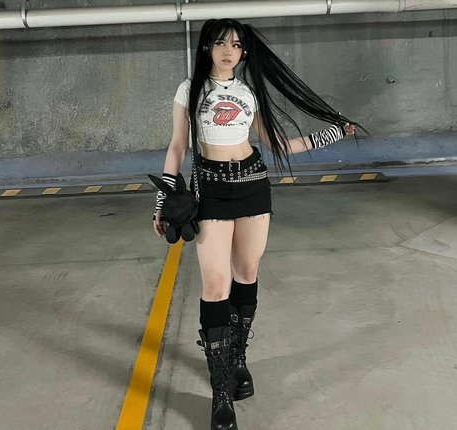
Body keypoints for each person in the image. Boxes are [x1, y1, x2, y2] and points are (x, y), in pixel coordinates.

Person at [153, 18, 359, 430]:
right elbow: (177, 146)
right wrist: (163, 198)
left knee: (246, 274)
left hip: (252, 186)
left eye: (235, 44)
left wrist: (332, 135)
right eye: (220, 43)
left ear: (243, 51)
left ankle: (236, 359)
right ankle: (220, 390)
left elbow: (275, 143)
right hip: (210, 191)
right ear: (207, 47)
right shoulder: (189, 89)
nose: (228, 50)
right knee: (216, 285)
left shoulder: (248, 92)